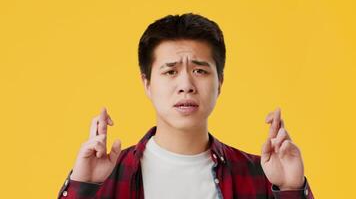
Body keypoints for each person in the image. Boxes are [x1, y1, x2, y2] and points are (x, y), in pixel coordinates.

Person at [58, 13, 314, 199]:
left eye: (200, 70)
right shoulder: (107, 176)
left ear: (220, 82)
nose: (186, 85)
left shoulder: (262, 176)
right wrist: (84, 186)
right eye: (170, 72)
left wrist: (291, 188)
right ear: (146, 83)